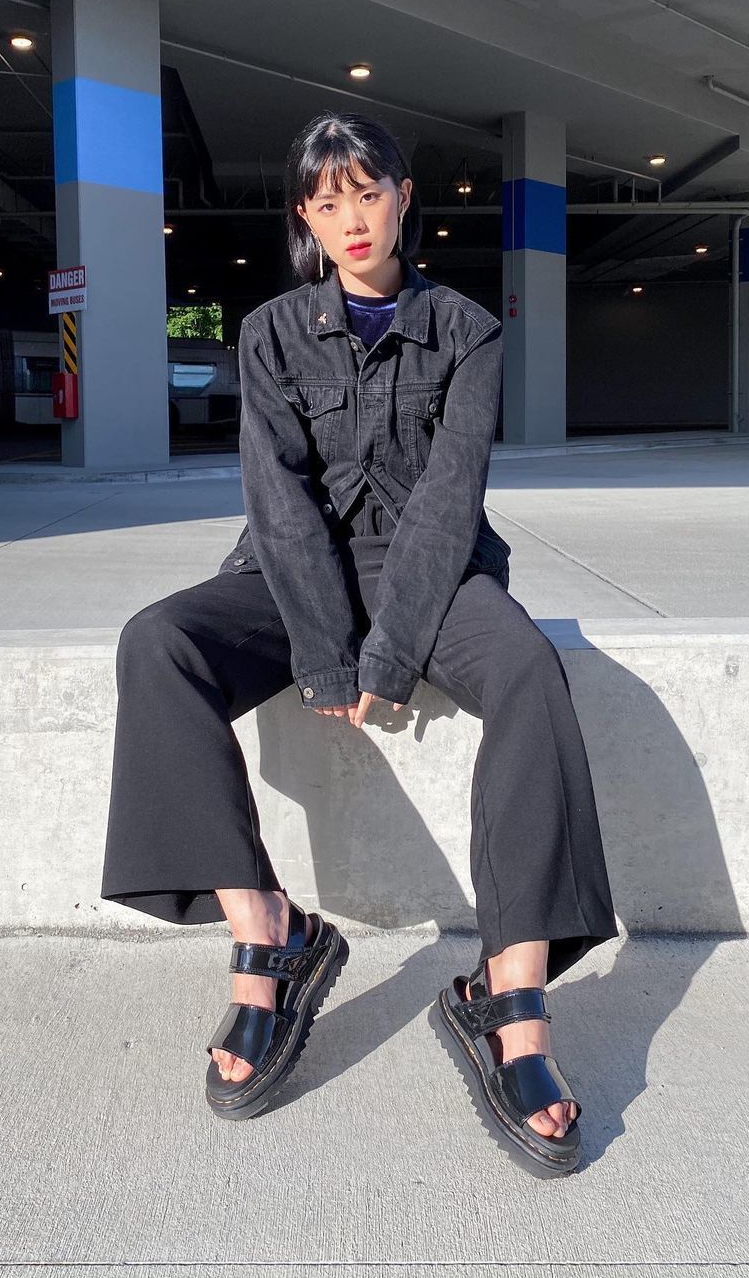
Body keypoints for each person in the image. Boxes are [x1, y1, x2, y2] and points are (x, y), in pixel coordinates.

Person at [101, 111, 618, 1177]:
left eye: (368, 193)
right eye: (328, 201)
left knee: (531, 671)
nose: (352, 219)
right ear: (306, 214)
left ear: (402, 196)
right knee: (157, 643)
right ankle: (269, 932)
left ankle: (509, 1000)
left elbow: (448, 500)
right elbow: (279, 500)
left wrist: (389, 653)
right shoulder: (270, 332)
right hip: (289, 570)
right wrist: (327, 650)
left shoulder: (466, 330)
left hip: (431, 567)